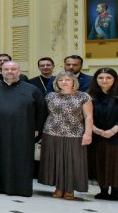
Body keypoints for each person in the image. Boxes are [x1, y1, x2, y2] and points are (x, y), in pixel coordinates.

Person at [0, 61, 46, 197]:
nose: (10, 71)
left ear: (19, 71)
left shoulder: (32, 90)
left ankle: (19, 188)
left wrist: (37, 129)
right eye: (6, 69)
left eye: (13, 69)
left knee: (20, 159)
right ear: (1, 71)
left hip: (23, 131)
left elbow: (41, 111)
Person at [40, 71, 93, 200]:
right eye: (60, 80)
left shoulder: (83, 96)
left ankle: (70, 190)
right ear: (56, 83)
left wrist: (88, 133)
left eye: (67, 80)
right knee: (56, 162)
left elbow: (88, 116)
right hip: (52, 132)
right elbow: (46, 114)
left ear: (74, 82)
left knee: (73, 162)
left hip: (74, 133)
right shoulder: (50, 96)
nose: (64, 82)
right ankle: (59, 188)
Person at [88, 67, 118, 201]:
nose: (104, 80)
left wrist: (113, 130)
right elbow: (85, 114)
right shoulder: (90, 94)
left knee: (117, 164)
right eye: (101, 78)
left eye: (108, 77)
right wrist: (95, 129)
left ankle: (116, 191)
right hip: (97, 135)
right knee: (100, 162)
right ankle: (103, 190)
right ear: (96, 80)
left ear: (114, 79)